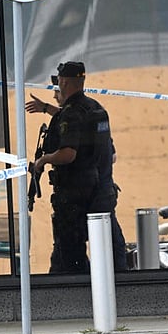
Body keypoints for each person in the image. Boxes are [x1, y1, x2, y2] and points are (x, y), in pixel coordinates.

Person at [26, 84, 128, 273]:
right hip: (102, 195)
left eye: (57, 91)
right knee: (113, 253)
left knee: (68, 260)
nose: (55, 97)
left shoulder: (72, 116)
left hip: (75, 200)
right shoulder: (95, 110)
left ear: (65, 86)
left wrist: (44, 160)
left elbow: (68, 153)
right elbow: (111, 155)